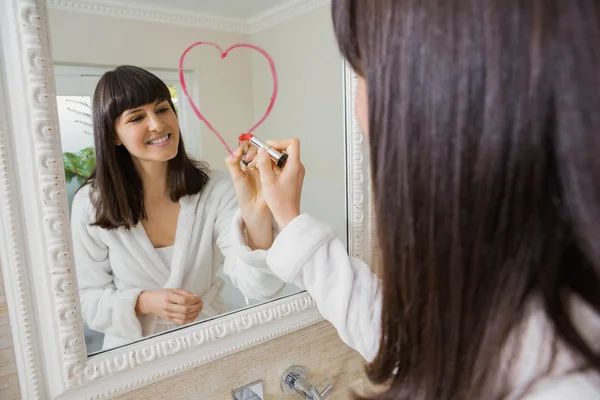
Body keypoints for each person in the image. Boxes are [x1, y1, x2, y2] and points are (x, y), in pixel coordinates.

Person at [231, 1, 600, 398]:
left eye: (362, 71)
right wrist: (289, 216)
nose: (357, 108)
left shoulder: (566, 381)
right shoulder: (508, 271)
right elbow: (413, 344)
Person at [71, 65, 284, 350]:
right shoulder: (91, 204)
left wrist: (257, 208)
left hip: (209, 342)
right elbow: (87, 299)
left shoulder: (215, 189)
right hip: (131, 354)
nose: (157, 124)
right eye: (136, 117)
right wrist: (143, 302)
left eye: (162, 109)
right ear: (114, 136)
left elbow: (261, 286)